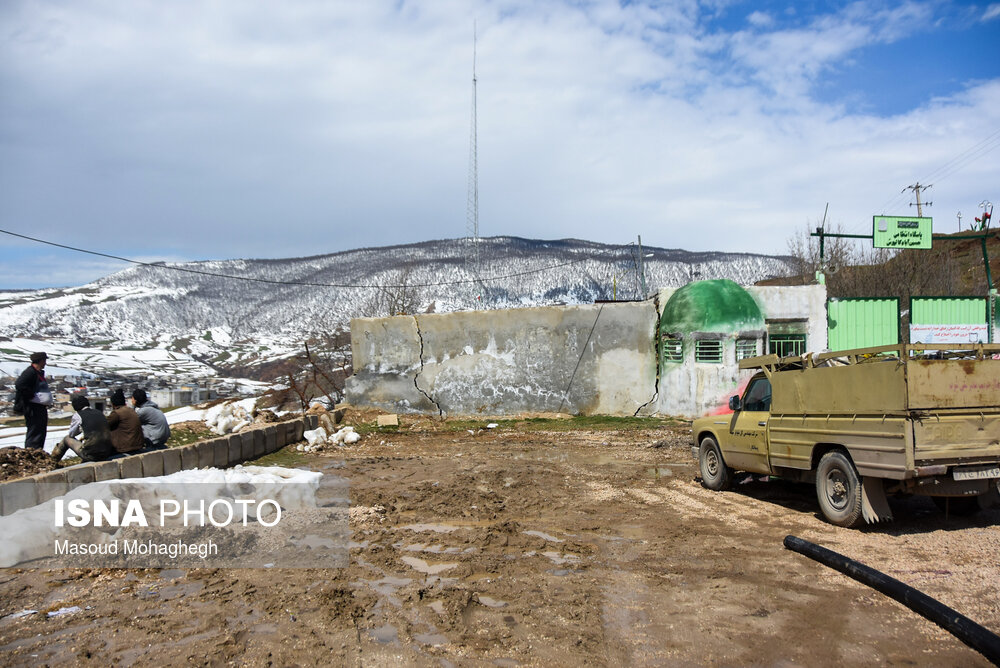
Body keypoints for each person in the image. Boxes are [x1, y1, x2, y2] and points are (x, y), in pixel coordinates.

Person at [50, 395, 116, 462]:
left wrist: (80, 430)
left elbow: (72, 434)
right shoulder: (99, 412)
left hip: (91, 454)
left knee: (67, 439)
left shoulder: (78, 415)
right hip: (107, 452)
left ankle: (53, 460)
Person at [14, 352, 53, 450]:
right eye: (44, 361)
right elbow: (19, 384)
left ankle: (38, 450)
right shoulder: (30, 372)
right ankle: (32, 451)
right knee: (35, 431)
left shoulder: (37, 372)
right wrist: (31, 395)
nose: (45, 363)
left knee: (40, 431)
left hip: (39, 407)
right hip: (33, 408)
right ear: (40, 361)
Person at [107, 389, 144, 455]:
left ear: (113, 404)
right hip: (137, 446)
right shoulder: (131, 410)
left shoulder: (116, 413)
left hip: (125, 448)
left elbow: (105, 425)